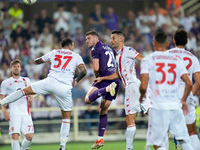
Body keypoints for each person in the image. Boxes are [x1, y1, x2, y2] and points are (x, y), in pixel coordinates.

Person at [0, 38, 87, 150]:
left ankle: (1, 102)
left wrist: (36, 61)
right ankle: (62, 146)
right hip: (64, 87)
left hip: (49, 82)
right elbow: (83, 71)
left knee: (24, 91)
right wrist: (75, 80)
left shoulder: (54, 52)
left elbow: (38, 61)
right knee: (66, 118)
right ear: (70, 46)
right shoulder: (76, 56)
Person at [139, 31, 193, 150]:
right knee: (184, 140)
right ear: (167, 43)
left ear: (153, 44)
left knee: (159, 143)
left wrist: (142, 97)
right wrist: (183, 99)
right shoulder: (176, 60)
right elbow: (189, 83)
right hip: (175, 105)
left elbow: (143, 86)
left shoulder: (148, 60)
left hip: (158, 107)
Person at [94, 30, 145, 150]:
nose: (111, 41)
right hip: (134, 86)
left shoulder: (128, 50)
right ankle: (175, 134)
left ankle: (129, 148)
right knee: (146, 113)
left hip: (132, 86)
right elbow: (118, 74)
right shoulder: (118, 55)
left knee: (130, 119)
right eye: (111, 38)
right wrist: (103, 78)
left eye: (113, 38)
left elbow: (143, 59)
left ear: (121, 39)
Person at [85, 30, 120, 149]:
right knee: (103, 109)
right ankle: (100, 139)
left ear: (96, 39)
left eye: (88, 38)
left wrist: (98, 76)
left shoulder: (95, 49)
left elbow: (96, 68)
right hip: (115, 80)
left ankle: (107, 89)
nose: (87, 41)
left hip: (104, 79)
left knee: (87, 99)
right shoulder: (110, 48)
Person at [167, 29, 200, 150]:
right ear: (186, 42)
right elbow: (198, 81)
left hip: (170, 97)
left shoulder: (167, 55)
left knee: (165, 131)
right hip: (186, 98)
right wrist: (188, 95)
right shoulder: (193, 58)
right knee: (192, 133)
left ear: (174, 41)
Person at [1, 59, 34, 150]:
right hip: (13, 112)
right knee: (15, 135)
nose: (16, 68)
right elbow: (2, 97)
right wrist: (4, 111)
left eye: (18, 66)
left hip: (25, 112)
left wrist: (31, 96)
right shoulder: (6, 82)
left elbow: (32, 92)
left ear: (20, 68)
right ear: (11, 69)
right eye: (14, 66)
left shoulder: (26, 80)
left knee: (30, 136)